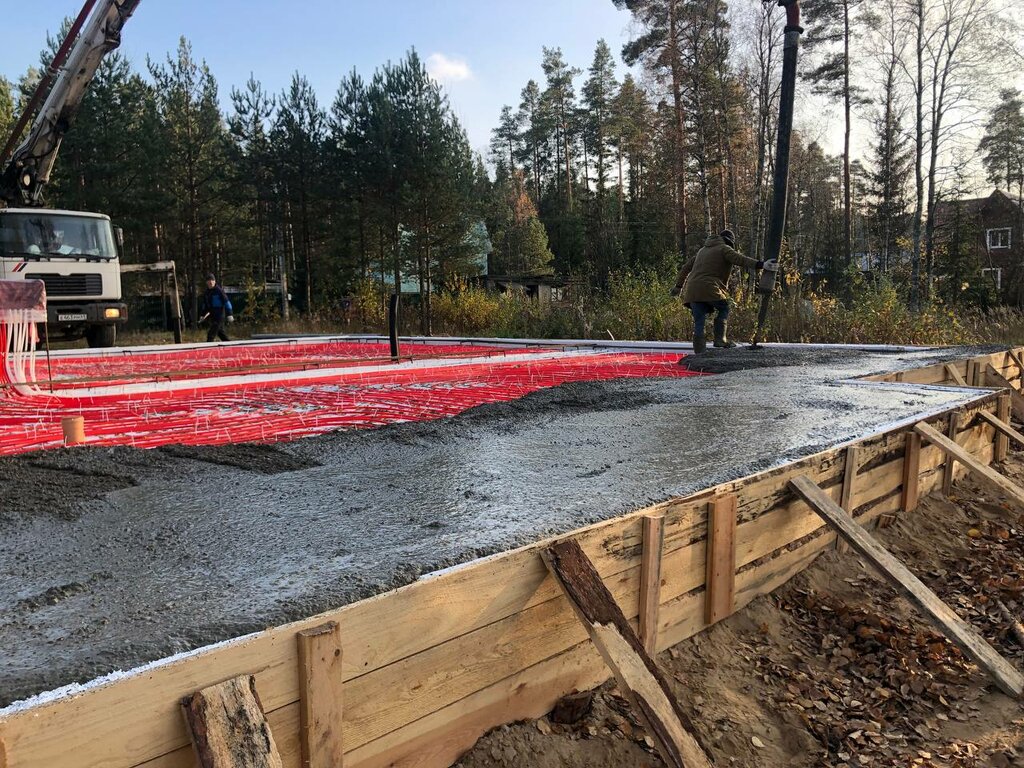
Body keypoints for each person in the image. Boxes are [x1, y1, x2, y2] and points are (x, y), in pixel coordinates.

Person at [671, 229, 776, 352]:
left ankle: (699, 352)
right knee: (724, 307)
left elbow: (685, 268)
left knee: (699, 321)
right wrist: (762, 265)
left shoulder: (702, 251)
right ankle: (720, 339)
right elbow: (740, 259)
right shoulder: (724, 249)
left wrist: (678, 286)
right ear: (730, 242)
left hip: (692, 290)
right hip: (710, 287)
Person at [201, 273, 234, 342]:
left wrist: (230, 314)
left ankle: (209, 346)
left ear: (215, 281)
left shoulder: (219, 291)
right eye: (209, 280)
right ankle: (229, 344)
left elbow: (227, 302)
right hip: (212, 315)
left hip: (219, 315)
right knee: (221, 334)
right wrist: (202, 315)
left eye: (212, 280)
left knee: (211, 334)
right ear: (206, 282)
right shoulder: (206, 293)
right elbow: (205, 305)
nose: (210, 282)